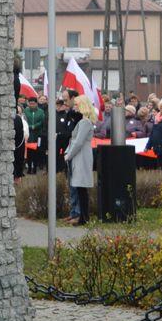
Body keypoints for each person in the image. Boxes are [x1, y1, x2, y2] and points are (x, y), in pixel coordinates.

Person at [65, 95, 97, 224]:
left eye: (77, 105)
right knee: (80, 188)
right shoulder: (84, 121)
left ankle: (84, 218)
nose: (75, 107)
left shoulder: (84, 122)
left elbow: (78, 142)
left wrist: (69, 155)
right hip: (81, 155)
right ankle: (84, 217)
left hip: (81, 156)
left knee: (81, 189)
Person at [23, 97, 45, 175]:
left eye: (33, 104)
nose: (31, 105)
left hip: (37, 134)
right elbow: (24, 120)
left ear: (36, 104)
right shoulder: (25, 111)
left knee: (36, 152)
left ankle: (35, 168)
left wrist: (35, 126)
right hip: (28, 135)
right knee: (29, 153)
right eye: (30, 103)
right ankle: (29, 168)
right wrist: (29, 126)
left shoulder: (41, 111)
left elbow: (42, 121)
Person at [12, 103, 28, 181]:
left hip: (18, 143)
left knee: (17, 161)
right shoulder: (17, 118)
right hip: (17, 143)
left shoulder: (18, 119)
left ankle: (17, 176)